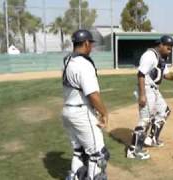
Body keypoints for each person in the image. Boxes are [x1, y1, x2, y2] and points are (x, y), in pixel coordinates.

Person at [126, 35, 173, 160]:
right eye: (168, 48)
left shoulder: (161, 58)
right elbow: (140, 74)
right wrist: (142, 95)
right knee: (145, 119)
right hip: (146, 89)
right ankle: (133, 150)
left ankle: (152, 138)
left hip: (155, 90)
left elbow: (166, 74)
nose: (170, 50)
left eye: (171, 48)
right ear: (161, 45)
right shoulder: (149, 56)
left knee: (164, 111)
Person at [62, 29, 109, 180]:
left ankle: (75, 177)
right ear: (86, 43)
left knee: (79, 151)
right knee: (98, 154)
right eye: (91, 44)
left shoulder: (68, 61)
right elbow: (93, 95)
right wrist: (104, 113)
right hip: (81, 113)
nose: (92, 48)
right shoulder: (83, 64)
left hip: (68, 112)